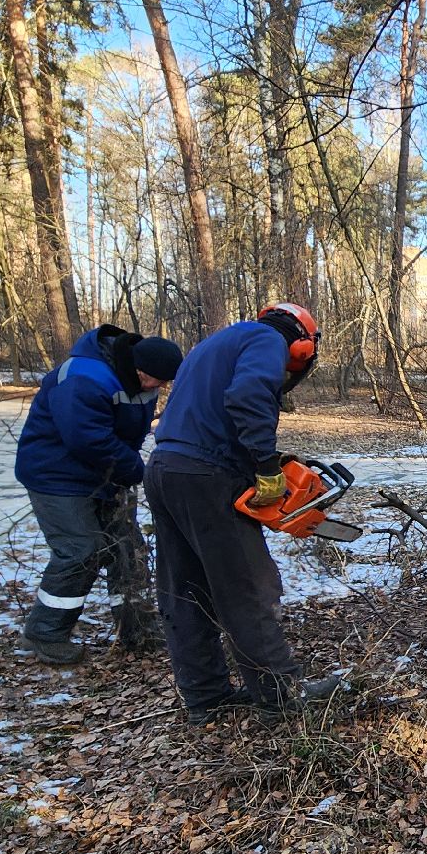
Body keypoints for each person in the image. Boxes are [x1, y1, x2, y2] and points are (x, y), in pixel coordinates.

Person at [145, 302, 342, 722]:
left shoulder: (215, 343)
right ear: (302, 344)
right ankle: (280, 698)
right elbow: (248, 395)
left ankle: (205, 696)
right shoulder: (267, 339)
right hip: (206, 476)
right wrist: (266, 464)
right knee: (248, 588)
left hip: (165, 469)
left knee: (186, 590)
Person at [15, 323, 183, 664]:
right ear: (138, 370)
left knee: (128, 549)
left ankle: (136, 628)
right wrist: (139, 471)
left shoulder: (142, 381)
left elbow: (127, 433)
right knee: (81, 550)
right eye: (157, 381)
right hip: (57, 475)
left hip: (107, 475)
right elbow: (89, 440)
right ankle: (44, 633)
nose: (160, 389)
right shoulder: (83, 378)